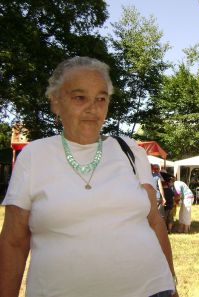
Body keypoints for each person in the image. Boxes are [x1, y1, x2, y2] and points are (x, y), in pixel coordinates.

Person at [0, 56, 178, 297]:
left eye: (101, 98)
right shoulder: (34, 156)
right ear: (56, 101)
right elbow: (14, 242)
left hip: (152, 290)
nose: (92, 108)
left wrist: (172, 284)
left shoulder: (130, 151)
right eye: (79, 97)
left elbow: (155, 222)